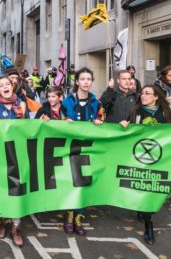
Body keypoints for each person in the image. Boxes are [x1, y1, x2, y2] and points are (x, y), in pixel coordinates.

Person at [123, 85, 171, 244]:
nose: (143, 96)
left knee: (152, 188)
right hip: (140, 157)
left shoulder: (166, 113)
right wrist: (125, 124)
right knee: (143, 187)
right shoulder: (136, 111)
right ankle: (147, 221)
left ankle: (147, 219)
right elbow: (127, 127)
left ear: (156, 97)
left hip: (160, 158)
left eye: (147, 93)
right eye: (142, 93)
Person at [0, 76, 29, 247]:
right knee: (1, 190)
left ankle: (16, 228)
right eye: (1, 85)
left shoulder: (22, 106)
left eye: (7, 84)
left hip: (18, 156)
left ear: (12, 86)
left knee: (17, 191)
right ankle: (1, 221)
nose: (5, 87)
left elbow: (30, 129)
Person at [61, 67, 103, 235]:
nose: (86, 82)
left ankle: (79, 216)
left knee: (84, 182)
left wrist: (99, 121)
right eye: (83, 79)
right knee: (71, 182)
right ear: (77, 81)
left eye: (89, 79)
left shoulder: (96, 102)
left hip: (88, 149)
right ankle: (69, 214)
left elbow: (101, 118)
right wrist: (65, 121)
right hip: (70, 149)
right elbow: (59, 120)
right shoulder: (67, 102)